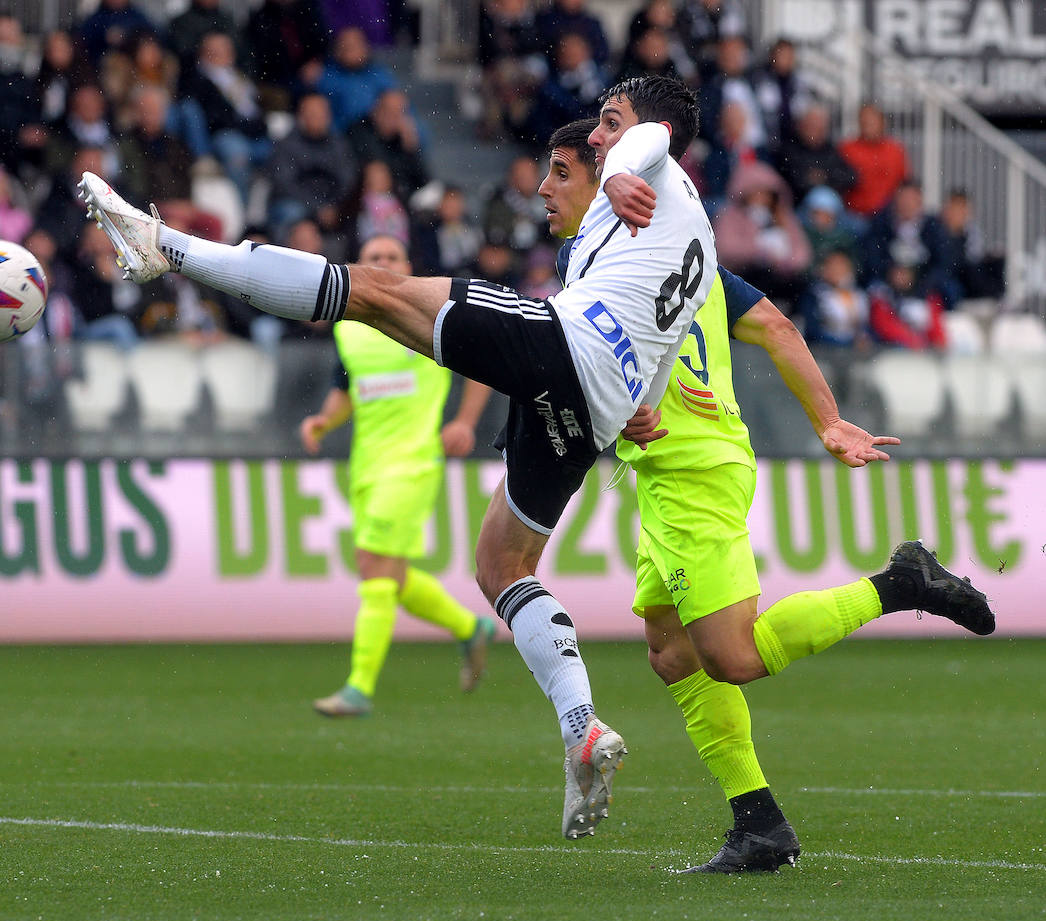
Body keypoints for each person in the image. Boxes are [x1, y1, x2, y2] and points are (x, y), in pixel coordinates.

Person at [81, 75, 719, 840]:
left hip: (563, 349)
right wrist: (638, 405)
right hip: (598, 403)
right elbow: (677, 324)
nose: (597, 140)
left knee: (374, 292)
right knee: (501, 564)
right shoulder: (696, 236)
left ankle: (167, 247)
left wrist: (619, 167)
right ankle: (582, 727)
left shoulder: (644, 164)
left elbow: (647, 142)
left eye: (607, 126)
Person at [537, 117, 995, 873]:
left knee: (734, 657)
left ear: (609, 179)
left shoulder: (627, 255)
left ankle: (899, 583)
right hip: (669, 471)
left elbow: (760, 331)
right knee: (670, 650)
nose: (546, 190)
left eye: (562, 173)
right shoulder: (678, 253)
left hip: (691, 468)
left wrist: (827, 424)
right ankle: (759, 824)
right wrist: (825, 424)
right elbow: (774, 325)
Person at [301, 235, 496, 717]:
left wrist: (465, 422)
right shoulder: (348, 327)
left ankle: (359, 688)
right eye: (374, 258)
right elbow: (345, 387)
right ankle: (471, 628)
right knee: (392, 575)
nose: (384, 263)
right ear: (358, 267)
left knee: (374, 569)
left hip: (413, 463)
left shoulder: (428, 315)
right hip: (366, 467)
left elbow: (483, 367)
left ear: (408, 267)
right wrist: (324, 421)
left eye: (392, 257)